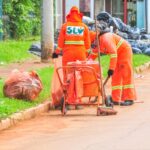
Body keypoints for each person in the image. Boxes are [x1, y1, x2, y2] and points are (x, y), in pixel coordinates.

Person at [88, 24, 137, 106]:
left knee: (126, 74)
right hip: (117, 54)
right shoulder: (98, 43)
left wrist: (111, 69)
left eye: (93, 44)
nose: (94, 46)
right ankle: (115, 99)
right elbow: (92, 55)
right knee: (115, 76)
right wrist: (84, 63)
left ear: (96, 39)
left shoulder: (106, 39)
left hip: (124, 52)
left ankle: (129, 98)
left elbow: (113, 53)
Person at [52, 6, 91, 109]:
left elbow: (60, 42)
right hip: (81, 54)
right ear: (79, 15)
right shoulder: (84, 27)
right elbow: (88, 45)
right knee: (79, 76)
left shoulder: (65, 26)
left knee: (68, 76)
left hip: (68, 54)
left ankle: (68, 101)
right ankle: (78, 102)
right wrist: (87, 55)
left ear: (69, 15)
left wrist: (56, 52)